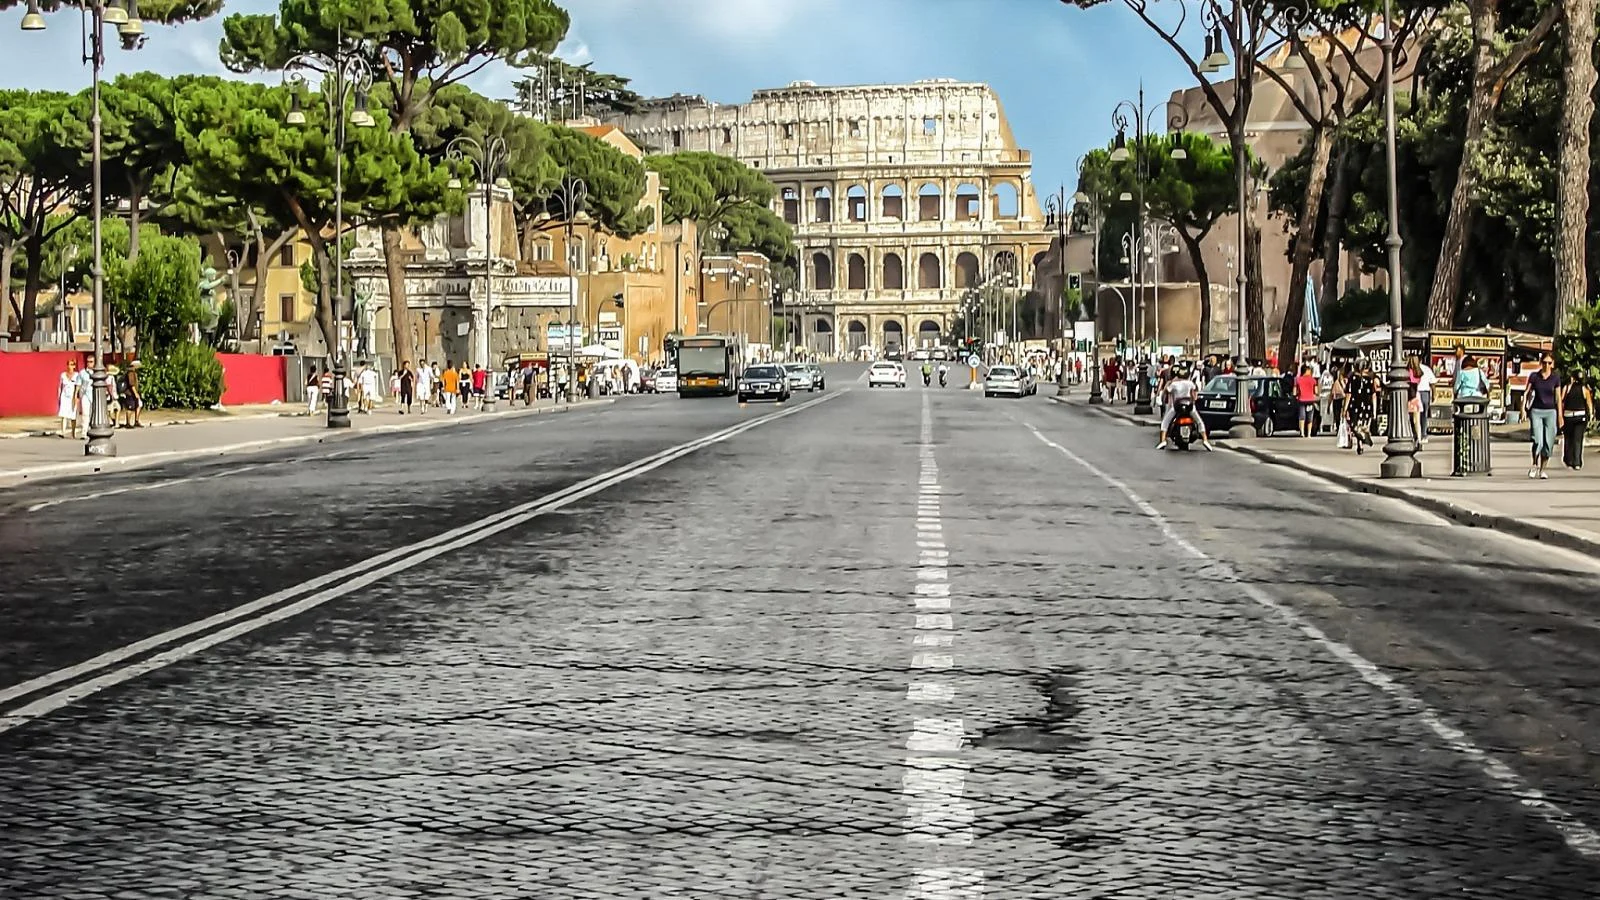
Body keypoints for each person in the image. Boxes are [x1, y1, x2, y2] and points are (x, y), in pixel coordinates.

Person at [1155, 363, 1213, 451]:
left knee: (1165, 422)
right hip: (1189, 405)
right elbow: (1195, 396)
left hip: (1177, 405)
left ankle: (1163, 440)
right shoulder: (1190, 383)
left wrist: (1170, 383)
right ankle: (1205, 440)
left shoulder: (1174, 384)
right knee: (1199, 421)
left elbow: (1168, 391)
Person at [1523, 354, 1561, 479]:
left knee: (1548, 443)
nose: (1546, 365)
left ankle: (1543, 469)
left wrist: (1560, 415)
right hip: (1536, 411)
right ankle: (1534, 464)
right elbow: (1527, 392)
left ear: (1552, 364)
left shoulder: (1555, 379)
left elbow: (1558, 398)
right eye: (1544, 362)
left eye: (1549, 363)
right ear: (1541, 362)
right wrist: (1523, 409)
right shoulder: (1534, 376)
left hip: (1550, 412)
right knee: (1537, 440)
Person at [1560, 370, 1593, 470]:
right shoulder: (1584, 389)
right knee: (1578, 439)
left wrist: (1560, 415)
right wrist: (1590, 415)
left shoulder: (1567, 388)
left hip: (1568, 416)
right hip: (1580, 416)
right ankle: (1577, 462)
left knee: (1568, 438)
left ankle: (1568, 460)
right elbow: (1589, 403)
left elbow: (1561, 401)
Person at [1346, 361, 1378, 454]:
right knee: (1361, 425)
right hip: (1367, 405)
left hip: (1354, 404)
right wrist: (1374, 410)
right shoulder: (1370, 379)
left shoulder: (1352, 379)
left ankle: (1361, 441)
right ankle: (1362, 441)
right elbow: (1373, 395)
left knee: (1354, 425)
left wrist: (1344, 408)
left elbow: (1348, 394)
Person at [1295, 364, 1319, 437]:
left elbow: (1294, 392)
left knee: (1302, 416)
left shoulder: (1297, 380)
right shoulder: (1313, 380)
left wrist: (1297, 395)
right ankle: (1308, 434)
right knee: (1309, 417)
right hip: (1310, 400)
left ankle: (1302, 432)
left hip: (1301, 400)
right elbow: (1316, 391)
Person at [57, 358, 79, 438]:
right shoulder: (63, 375)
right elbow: (60, 386)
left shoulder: (77, 375)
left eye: (72, 364)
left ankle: (73, 433)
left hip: (73, 396)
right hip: (64, 396)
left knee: (73, 415)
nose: (70, 366)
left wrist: (77, 397)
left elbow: (78, 386)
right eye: (69, 364)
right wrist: (59, 397)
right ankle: (63, 432)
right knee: (63, 414)